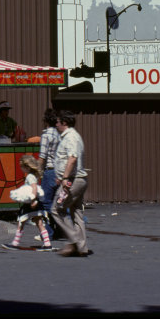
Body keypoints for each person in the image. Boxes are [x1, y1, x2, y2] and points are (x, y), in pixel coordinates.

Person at [51, 110, 89, 257]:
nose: (56, 124)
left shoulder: (71, 137)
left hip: (72, 181)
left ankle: (75, 241)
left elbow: (72, 158)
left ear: (64, 123)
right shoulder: (72, 136)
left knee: (56, 208)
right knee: (76, 212)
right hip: (77, 180)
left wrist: (64, 178)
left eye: (58, 122)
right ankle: (82, 248)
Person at [3, 154, 52, 250]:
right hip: (37, 204)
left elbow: (33, 187)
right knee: (39, 223)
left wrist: (33, 200)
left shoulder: (30, 176)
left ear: (26, 167)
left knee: (21, 222)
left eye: (22, 166)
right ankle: (47, 243)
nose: (21, 169)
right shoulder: (34, 175)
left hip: (30, 204)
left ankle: (15, 243)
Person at [37, 108, 60, 237]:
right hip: (60, 171)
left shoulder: (46, 135)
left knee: (45, 202)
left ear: (45, 120)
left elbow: (42, 156)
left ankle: (48, 233)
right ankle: (62, 228)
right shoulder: (59, 134)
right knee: (58, 202)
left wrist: (36, 172)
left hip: (50, 171)